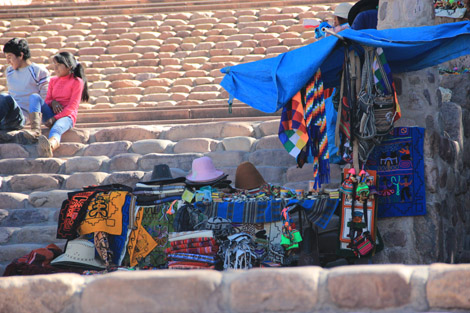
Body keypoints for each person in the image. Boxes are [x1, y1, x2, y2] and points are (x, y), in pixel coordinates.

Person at [30, 51, 89, 157]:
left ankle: (50, 147)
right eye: (55, 65)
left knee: (56, 128)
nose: (55, 68)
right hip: (50, 114)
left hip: (67, 117)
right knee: (35, 97)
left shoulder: (77, 82)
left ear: (69, 66)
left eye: (59, 65)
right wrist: (53, 102)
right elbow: (47, 100)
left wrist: (55, 118)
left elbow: (72, 106)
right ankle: (35, 130)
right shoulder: (53, 80)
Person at [1, 38, 49, 133]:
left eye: (10, 57)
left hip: (21, 118)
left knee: (4, 97)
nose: (8, 61)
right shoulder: (9, 71)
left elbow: (44, 99)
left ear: (21, 55)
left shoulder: (38, 71)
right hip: (6, 116)